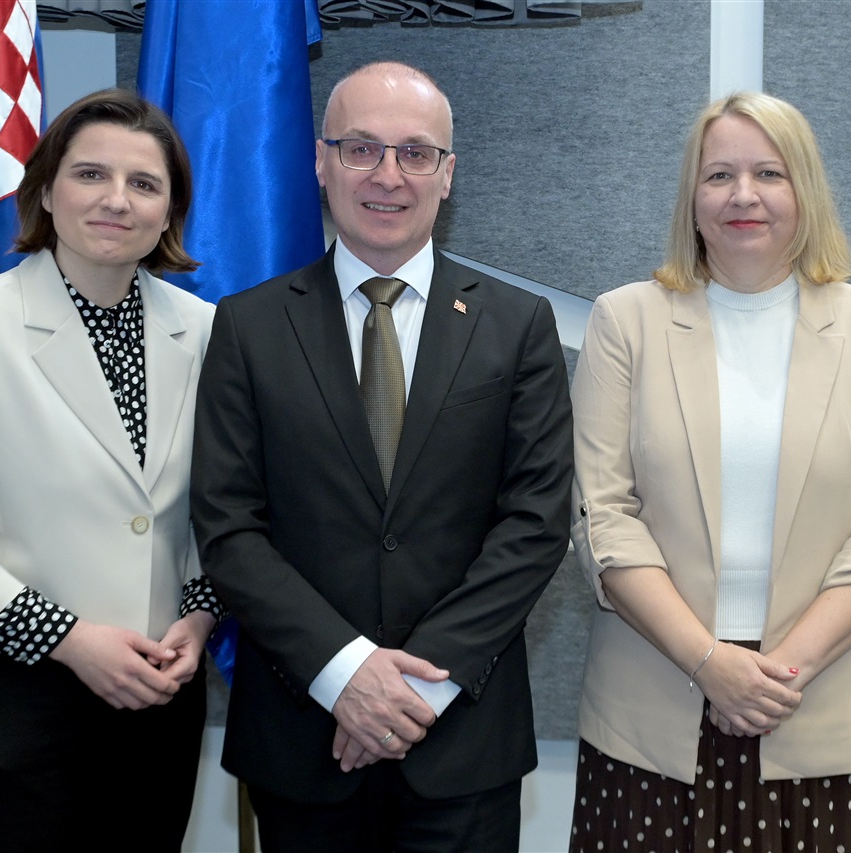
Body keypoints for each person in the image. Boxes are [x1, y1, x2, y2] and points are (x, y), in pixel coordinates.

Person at [191, 61, 574, 852]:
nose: (388, 175)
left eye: (415, 153)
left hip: (463, 742)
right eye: (361, 148)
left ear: (448, 174)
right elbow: (228, 527)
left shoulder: (518, 325)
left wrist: (411, 689)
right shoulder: (248, 326)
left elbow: (536, 524)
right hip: (302, 740)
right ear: (321, 162)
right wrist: (343, 674)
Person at [568, 91, 851, 852]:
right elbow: (604, 517)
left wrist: (775, 675)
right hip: (652, 712)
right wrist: (710, 663)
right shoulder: (624, 321)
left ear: (805, 191)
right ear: (692, 199)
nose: (743, 195)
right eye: (719, 175)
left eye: (769, 173)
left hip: (817, 709)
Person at [0, 89, 221, 852]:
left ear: (170, 212)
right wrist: (67, 637)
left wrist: (199, 616)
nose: (116, 199)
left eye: (144, 183)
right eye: (90, 174)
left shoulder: (206, 332)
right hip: (4, 710)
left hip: (156, 709)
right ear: (46, 190)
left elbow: (220, 509)